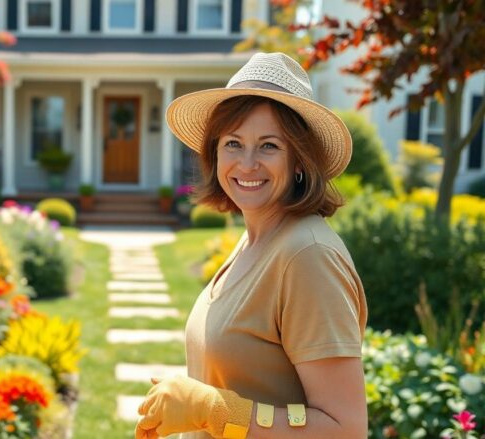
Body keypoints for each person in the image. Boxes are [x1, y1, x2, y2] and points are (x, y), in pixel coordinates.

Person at [135, 52, 368, 439]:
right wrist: (189, 402)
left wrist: (211, 409)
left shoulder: (307, 255)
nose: (246, 164)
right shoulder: (256, 238)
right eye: (233, 143)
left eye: (269, 146)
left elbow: (345, 429)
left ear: (299, 160)